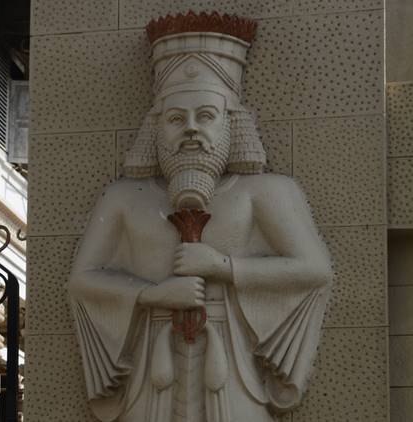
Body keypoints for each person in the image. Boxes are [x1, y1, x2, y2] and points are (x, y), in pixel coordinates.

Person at [66, 12, 332, 422]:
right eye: (176, 119)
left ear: (230, 124)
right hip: (152, 372)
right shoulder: (123, 198)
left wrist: (223, 267)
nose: (191, 130)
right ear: (156, 129)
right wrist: (151, 295)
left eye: (206, 116)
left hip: (231, 368)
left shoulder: (265, 192)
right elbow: (83, 279)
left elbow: (313, 270)